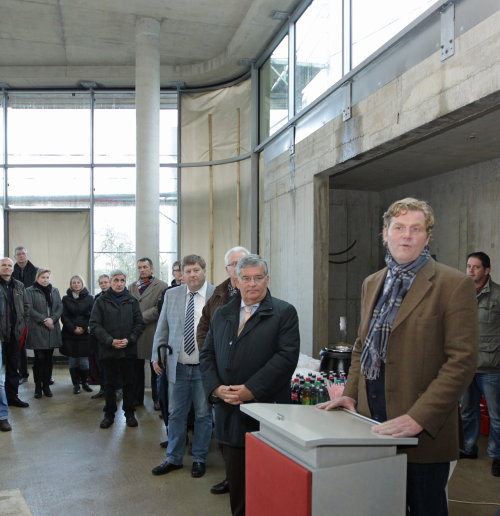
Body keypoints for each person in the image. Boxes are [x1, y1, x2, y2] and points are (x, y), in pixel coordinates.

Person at [317, 198, 479, 516]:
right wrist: (350, 394)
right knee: (378, 505)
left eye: (416, 229)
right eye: (399, 227)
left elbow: (462, 361)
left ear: (427, 237)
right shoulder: (372, 283)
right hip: (371, 424)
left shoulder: (453, 284)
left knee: (424, 508)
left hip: (421, 431)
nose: (406, 236)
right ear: (385, 234)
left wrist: (419, 416)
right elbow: (361, 345)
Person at [200, 254, 300, 516]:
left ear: (267, 279)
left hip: (266, 415)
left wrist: (250, 390)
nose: (252, 284)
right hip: (228, 413)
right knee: (238, 486)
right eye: (246, 278)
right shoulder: (222, 314)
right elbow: (207, 354)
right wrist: (215, 388)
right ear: (236, 280)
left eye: (258, 278)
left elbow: (286, 358)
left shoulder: (283, 313)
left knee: (268, 485)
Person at [151, 254, 215, 479]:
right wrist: (155, 355)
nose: (192, 274)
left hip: (205, 368)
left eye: (196, 270)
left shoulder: (217, 296)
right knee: (175, 413)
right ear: (181, 274)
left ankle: (199, 458)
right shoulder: (172, 295)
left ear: (204, 271)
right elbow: (163, 328)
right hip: (176, 365)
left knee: (203, 415)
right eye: (187, 271)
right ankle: (173, 458)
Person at [196, 245, 250, 495]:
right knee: (225, 431)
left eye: (243, 263)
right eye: (233, 264)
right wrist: (212, 357)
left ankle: (248, 480)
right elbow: (204, 327)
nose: (238, 269)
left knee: (248, 433)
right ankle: (232, 478)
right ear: (228, 269)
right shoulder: (218, 294)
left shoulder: (254, 292)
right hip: (221, 374)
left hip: (248, 378)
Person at [461, 251, 500, 477]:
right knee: (467, 411)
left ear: (486, 270)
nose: (471, 270)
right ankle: (468, 447)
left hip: (491, 366)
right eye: (468, 266)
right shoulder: (461, 293)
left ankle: (496, 455)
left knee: (496, 416)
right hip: (466, 365)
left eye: (476, 267)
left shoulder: (497, 295)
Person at [90, 269, 144, 429]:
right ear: (111, 282)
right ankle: (109, 414)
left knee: (129, 383)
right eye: (115, 280)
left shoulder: (132, 301)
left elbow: (139, 323)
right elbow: (94, 324)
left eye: (122, 280)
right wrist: (110, 340)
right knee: (109, 384)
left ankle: (129, 413)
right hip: (109, 350)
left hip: (128, 350)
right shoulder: (101, 301)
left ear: (125, 282)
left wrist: (130, 339)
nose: (119, 284)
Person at [128, 257, 168, 408]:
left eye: (145, 267)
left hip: (152, 331)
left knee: (155, 367)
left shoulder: (162, 286)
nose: (142, 270)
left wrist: (139, 318)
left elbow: (159, 308)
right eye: (139, 267)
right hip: (136, 334)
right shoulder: (132, 286)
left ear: (151, 269)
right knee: (136, 369)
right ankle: (137, 398)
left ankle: (157, 399)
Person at [25, 268, 63, 399]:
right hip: (37, 329)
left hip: (52, 329)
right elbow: (28, 308)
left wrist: (52, 319)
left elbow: (59, 307)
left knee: (48, 359)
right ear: (37, 278)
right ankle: (37, 387)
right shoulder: (29, 290)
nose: (45, 280)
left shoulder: (55, 290)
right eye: (43, 277)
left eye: (47, 277)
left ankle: (46, 386)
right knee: (39, 359)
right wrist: (43, 320)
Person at [0, 258, 30, 408]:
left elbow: (26, 307)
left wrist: (22, 324)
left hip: (14, 334)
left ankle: (12, 397)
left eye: (9, 265)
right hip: (0, 335)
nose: (6, 268)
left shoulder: (19, 286)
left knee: (13, 367)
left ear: (13, 269)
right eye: (3, 265)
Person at [61, 275, 94, 395]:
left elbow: (92, 316)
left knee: (84, 361)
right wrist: (73, 328)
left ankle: (85, 383)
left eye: (78, 282)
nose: (76, 284)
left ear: (82, 284)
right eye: (73, 282)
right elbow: (64, 316)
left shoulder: (90, 298)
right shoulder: (65, 299)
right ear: (70, 285)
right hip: (70, 334)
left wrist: (84, 328)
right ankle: (76, 385)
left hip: (85, 334)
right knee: (73, 361)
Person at [12, 246, 38, 384]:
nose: (21, 256)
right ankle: (23, 373)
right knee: (20, 344)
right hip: (18, 314)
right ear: (15, 256)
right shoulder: (11, 270)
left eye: (23, 254)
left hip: (34, 312)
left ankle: (44, 375)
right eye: (18, 254)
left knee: (40, 344)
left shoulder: (36, 271)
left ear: (27, 255)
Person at [89, 274, 110, 399]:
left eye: (105, 282)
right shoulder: (96, 298)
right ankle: (103, 389)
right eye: (101, 283)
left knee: (111, 366)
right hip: (98, 337)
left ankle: (114, 391)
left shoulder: (114, 297)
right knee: (100, 364)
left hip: (111, 337)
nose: (103, 285)